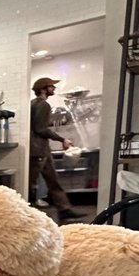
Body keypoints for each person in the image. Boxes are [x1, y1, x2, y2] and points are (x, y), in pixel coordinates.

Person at [28, 77, 79, 222]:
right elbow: (41, 129)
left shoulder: (33, 104)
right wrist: (62, 139)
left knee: (52, 181)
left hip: (41, 149)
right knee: (31, 184)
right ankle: (27, 215)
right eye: (51, 86)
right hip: (38, 150)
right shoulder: (43, 105)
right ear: (43, 88)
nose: (54, 89)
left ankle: (65, 210)